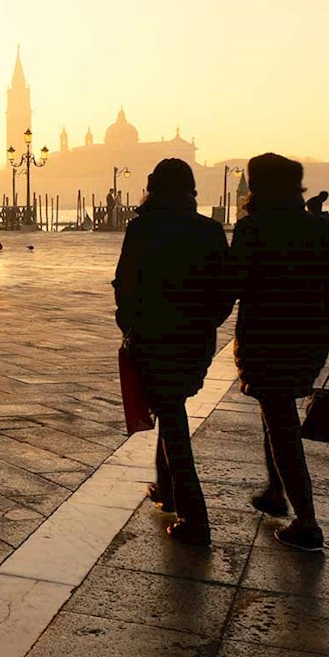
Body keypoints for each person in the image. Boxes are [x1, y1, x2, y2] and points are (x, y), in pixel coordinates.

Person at [230, 152, 329, 552]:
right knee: (276, 410)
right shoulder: (321, 227)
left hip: (266, 337)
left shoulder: (252, 228)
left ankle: (307, 520)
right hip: (310, 339)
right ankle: (273, 491)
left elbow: (233, 284)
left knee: (280, 421)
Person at [112, 158, 237, 545]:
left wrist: (130, 324)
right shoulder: (211, 230)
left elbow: (125, 284)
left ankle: (195, 518)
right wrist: (206, 324)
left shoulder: (142, 228)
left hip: (153, 336)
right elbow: (225, 290)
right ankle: (166, 489)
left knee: (172, 415)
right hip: (195, 339)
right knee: (172, 405)